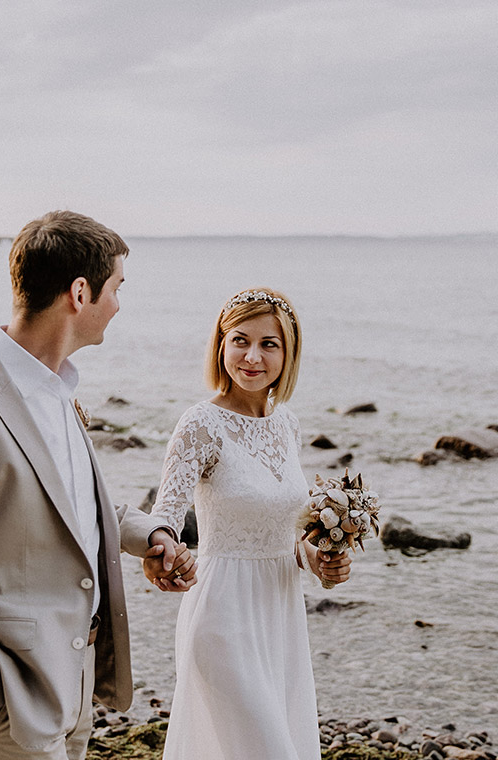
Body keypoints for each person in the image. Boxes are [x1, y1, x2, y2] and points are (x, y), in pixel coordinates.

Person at [0, 210, 196, 760]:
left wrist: (148, 533)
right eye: (116, 288)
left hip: (70, 683)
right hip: (8, 697)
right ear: (79, 293)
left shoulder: (58, 390)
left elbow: (73, 505)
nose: (119, 305)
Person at [145, 287, 352, 760]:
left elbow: (286, 530)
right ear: (221, 344)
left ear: (289, 352)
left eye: (269, 344)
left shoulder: (288, 424)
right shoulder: (200, 423)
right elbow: (166, 515)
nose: (252, 356)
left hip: (280, 617)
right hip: (222, 614)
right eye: (240, 340)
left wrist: (318, 559)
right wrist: (162, 553)